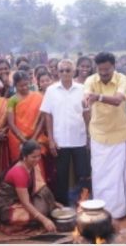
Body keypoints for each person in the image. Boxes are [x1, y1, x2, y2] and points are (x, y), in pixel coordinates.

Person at [83, 52, 126, 219]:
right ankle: (101, 212)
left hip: (119, 135)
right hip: (98, 135)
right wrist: (89, 99)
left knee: (118, 177)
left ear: (114, 66)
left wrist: (99, 97)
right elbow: (87, 98)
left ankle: (118, 213)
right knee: (99, 175)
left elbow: (118, 100)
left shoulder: (122, 79)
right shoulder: (90, 80)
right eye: (100, 69)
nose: (103, 73)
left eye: (107, 69)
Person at [40, 59, 90, 206]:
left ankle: (84, 203)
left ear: (73, 72)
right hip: (60, 140)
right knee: (61, 175)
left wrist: (88, 135)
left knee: (83, 173)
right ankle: (62, 206)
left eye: (68, 70)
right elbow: (47, 115)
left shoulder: (82, 89)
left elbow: (86, 113)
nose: (64, 73)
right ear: (57, 72)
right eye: (61, 70)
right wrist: (50, 139)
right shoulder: (51, 90)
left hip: (79, 138)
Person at [0, 140, 58, 234]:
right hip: (6, 204)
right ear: (24, 156)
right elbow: (26, 203)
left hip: (22, 198)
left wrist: (53, 202)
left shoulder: (33, 165)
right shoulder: (19, 173)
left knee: (45, 193)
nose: (37, 159)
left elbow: (40, 187)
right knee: (37, 216)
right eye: (33, 157)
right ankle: (7, 226)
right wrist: (45, 220)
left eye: (39, 156)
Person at [7, 71, 48, 163]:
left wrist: (34, 138)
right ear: (15, 85)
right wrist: (24, 141)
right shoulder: (12, 100)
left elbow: (42, 119)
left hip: (36, 136)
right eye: (21, 86)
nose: (24, 87)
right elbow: (11, 123)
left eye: (26, 84)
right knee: (20, 163)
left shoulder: (38, 96)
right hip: (17, 139)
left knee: (37, 163)